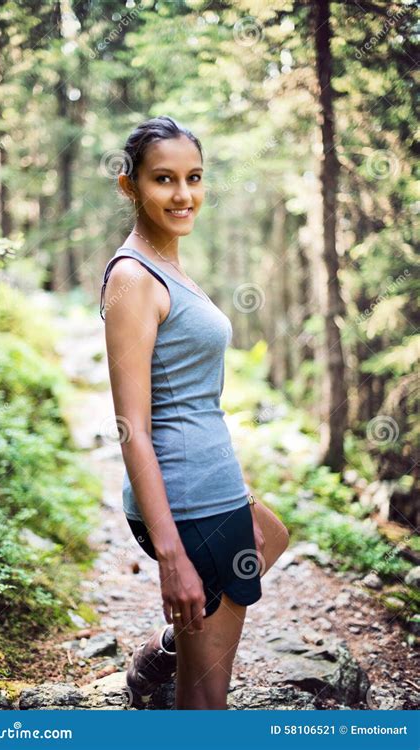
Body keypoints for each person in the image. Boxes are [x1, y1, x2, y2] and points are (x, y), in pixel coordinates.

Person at [100, 115, 289, 710]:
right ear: (129, 186)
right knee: (205, 710)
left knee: (272, 536)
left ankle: (167, 649)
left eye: (194, 177)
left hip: (212, 486)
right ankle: (178, 655)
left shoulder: (169, 265)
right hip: (189, 507)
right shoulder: (133, 279)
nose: (183, 195)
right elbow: (133, 428)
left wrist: (237, 486)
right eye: (163, 180)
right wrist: (173, 557)